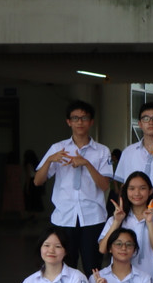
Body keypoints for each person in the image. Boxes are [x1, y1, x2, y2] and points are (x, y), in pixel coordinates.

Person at [33, 100, 113, 272]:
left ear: (91, 121)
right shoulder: (58, 148)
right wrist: (49, 160)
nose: (79, 122)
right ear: (68, 122)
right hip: (64, 217)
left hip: (93, 217)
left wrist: (87, 163)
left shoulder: (102, 151)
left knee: (93, 267)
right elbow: (37, 181)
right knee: (64, 268)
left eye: (84, 118)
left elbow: (104, 185)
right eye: (75, 118)